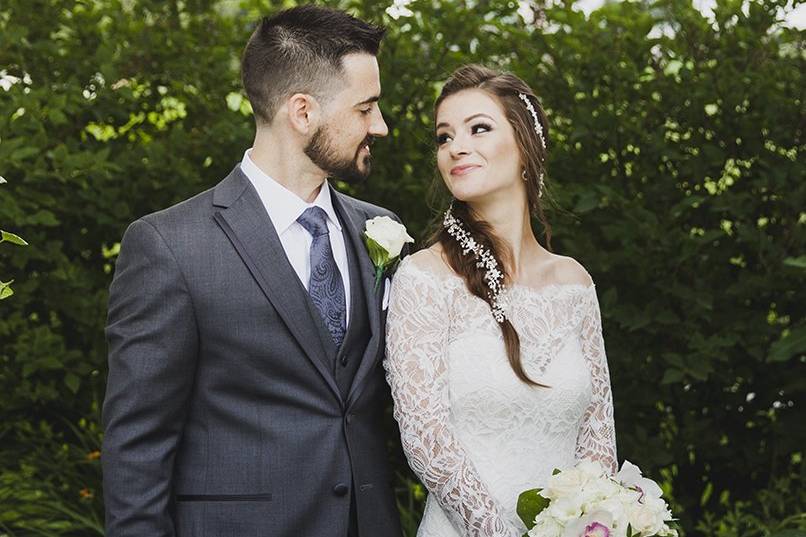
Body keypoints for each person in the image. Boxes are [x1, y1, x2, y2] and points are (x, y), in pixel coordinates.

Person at [102, 6, 404, 537]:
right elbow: (137, 447)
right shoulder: (170, 246)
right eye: (367, 108)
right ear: (302, 112)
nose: (380, 125)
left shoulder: (379, 230)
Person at [384, 64, 618, 536]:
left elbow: (597, 434)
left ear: (526, 146)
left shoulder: (575, 283)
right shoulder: (424, 277)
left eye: (479, 129)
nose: (456, 147)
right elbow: (427, 439)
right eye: (444, 137)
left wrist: (596, 523)